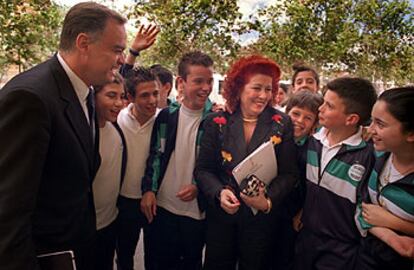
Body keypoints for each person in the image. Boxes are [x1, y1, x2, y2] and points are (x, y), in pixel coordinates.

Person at [0, 2, 126, 269]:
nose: (122, 59)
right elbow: (8, 214)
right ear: (84, 43)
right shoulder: (30, 98)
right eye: (116, 50)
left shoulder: (87, 92)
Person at [194, 55, 299, 270]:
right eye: (257, 88)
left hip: (260, 223)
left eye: (268, 89)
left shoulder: (282, 123)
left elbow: (290, 174)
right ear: (239, 87)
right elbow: (203, 170)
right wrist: (219, 193)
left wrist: (267, 201)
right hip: (222, 220)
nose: (263, 95)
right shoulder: (216, 122)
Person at [293, 77, 377, 270]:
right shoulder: (312, 142)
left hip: (341, 251)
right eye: (323, 102)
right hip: (305, 240)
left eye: (329, 106)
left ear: (352, 119)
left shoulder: (367, 155)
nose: (320, 109)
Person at [141, 51, 214, 270]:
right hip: (161, 208)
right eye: (198, 81)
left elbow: (220, 169)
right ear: (181, 82)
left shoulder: (217, 122)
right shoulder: (166, 117)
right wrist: (149, 190)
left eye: (209, 81)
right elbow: (155, 155)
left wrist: (199, 187)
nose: (206, 87)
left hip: (195, 214)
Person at [355, 86, 414, 269]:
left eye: (380, 124)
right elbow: (361, 207)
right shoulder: (375, 156)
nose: (370, 130)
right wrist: (391, 237)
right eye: (372, 121)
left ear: (411, 134)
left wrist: (397, 223)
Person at [272, 90, 323, 270]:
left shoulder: (313, 151)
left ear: (315, 124)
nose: (299, 120)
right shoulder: (273, 140)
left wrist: (302, 212)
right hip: (269, 207)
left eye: (307, 118)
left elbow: (313, 188)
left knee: (284, 255)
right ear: (286, 112)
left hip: (292, 213)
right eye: (295, 113)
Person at [116, 67, 160, 270]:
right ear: (131, 97)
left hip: (155, 200)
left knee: (156, 255)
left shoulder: (164, 121)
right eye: (145, 95)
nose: (152, 100)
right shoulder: (118, 120)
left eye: (155, 93)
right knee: (125, 254)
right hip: (123, 201)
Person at [92, 73, 126, 270]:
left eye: (121, 97)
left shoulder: (116, 129)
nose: (118, 103)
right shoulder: (84, 133)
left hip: (110, 222)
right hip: (85, 228)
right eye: (111, 96)